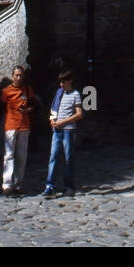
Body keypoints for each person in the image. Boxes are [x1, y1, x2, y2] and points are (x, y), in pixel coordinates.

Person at [41, 70, 83, 198]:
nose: (61, 84)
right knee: (53, 157)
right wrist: (53, 120)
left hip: (68, 131)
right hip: (57, 130)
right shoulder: (59, 93)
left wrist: (64, 122)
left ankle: (69, 187)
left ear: (70, 80)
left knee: (68, 158)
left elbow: (79, 114)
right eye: (60, 81)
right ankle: (50, 186)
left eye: (64, 81)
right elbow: (54, 109)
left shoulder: (76, 94)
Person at [0, 65, 36, 197]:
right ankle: (7, 185)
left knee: (22, 156)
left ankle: (18, 184)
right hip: (11, 126)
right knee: (9, 155)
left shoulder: (27, 89)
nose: (19, 77)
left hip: (24, 126)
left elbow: (33, 105)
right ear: (12, 76)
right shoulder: (6, 91)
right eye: (17, 75)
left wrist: (28, 110)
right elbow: (1, 109)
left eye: (21, 75)